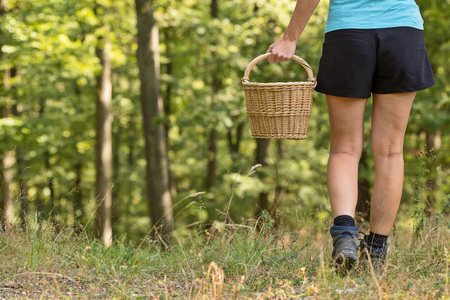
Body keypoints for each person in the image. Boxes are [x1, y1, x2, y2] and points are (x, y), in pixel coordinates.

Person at [266, 0, 435, 274]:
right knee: (390, 151)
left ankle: (345, 235)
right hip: (403, 33)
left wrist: (290, 37)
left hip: (348, 33)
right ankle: (376, 251)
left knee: (344, 149)